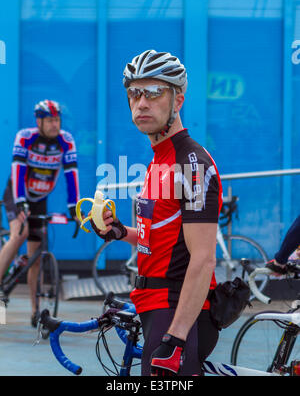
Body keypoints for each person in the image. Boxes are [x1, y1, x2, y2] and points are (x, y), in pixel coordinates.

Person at [90, 50, 223, 376]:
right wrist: (121, 232)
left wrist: (176, 337)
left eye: (153, 93)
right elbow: (161, 236)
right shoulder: (158, 158)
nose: (141, 103)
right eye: (134, 93)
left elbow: (204, 258)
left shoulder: (190, 163)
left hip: (176, 310)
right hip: (151, 302)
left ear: (178, 99)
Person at [0, 99, 80, 326]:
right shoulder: (26, 137)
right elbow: (17, 170)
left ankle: (36, 311)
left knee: (36, 255)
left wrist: (74, 207)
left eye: (57, 120)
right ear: (39, 121)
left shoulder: (66, 141)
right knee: (21, 233)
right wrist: (22, 202)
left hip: (40, 199)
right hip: (17, 193)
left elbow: (71, 175)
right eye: (50, 120)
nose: (55, 125)